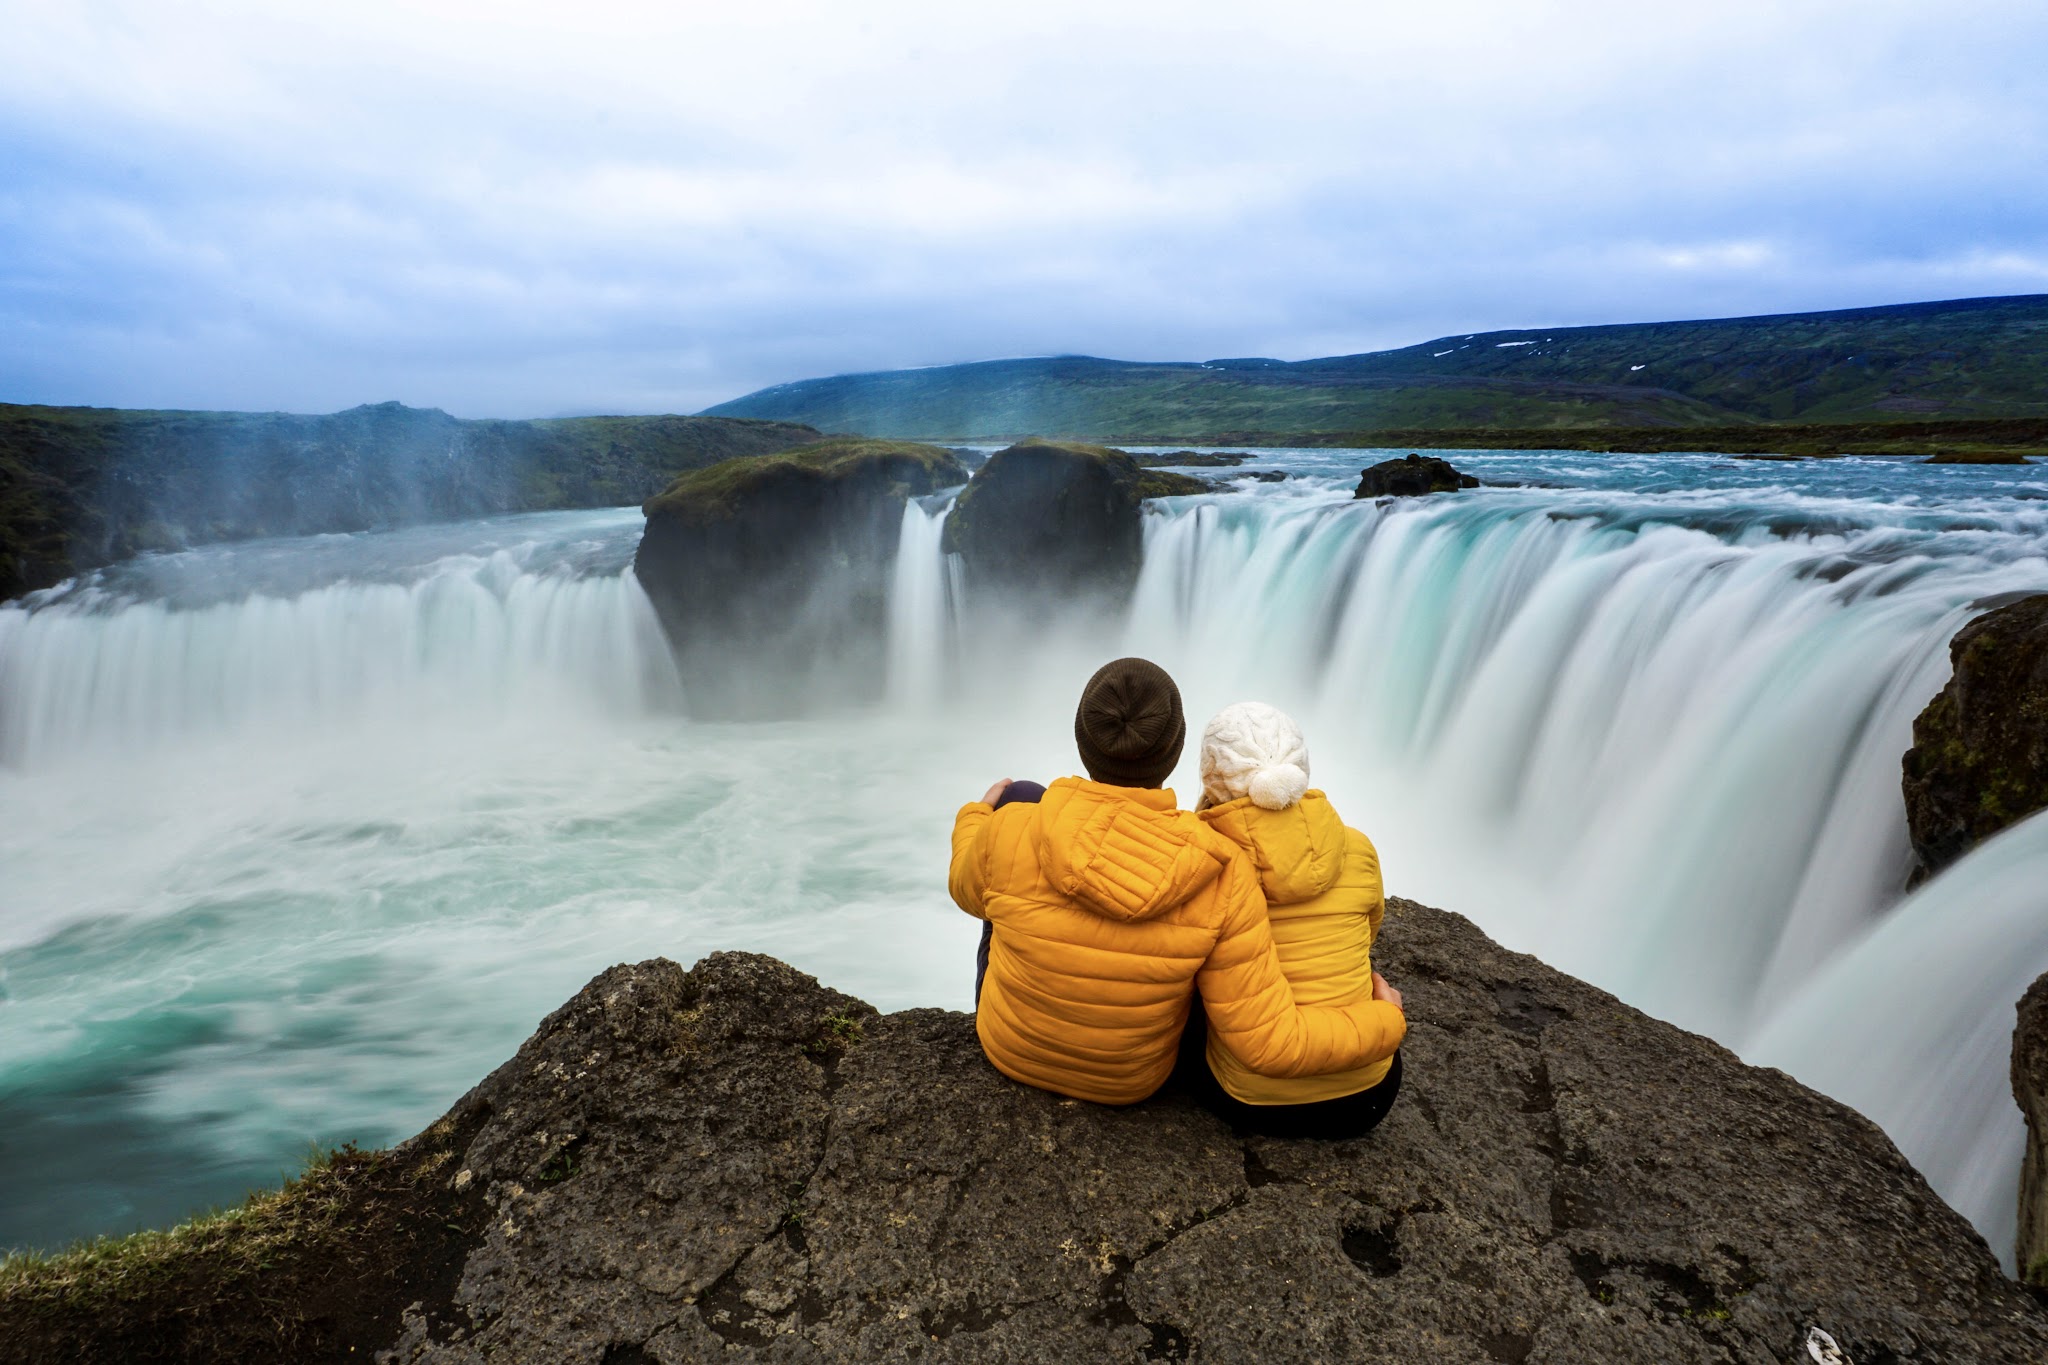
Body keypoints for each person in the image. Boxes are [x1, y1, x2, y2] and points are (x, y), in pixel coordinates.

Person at [948, 657, 1406, 1106]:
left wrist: (978, 817)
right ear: (1175, 747)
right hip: (1129, 1082)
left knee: (1021, 801)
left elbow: (965, 890)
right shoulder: (1216, 865)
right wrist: (1384, 1017)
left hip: (1008, 1049)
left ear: (1082, 739)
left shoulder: (1008, 831)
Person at [1183, 700, 1403, 1138]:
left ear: (1212, 778)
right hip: (1369, 1094)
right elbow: (1369, 932)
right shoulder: (1357, 847)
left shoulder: (1202, 861)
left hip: (1251, 1101)